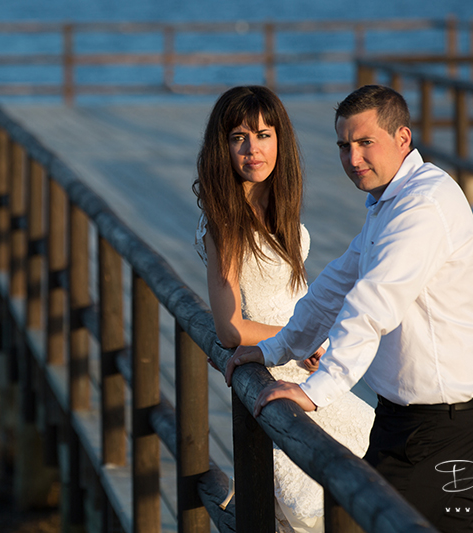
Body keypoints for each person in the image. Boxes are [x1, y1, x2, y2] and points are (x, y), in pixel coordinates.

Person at [225, 85, 473, 533]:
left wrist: (317, 390)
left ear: (403, 139)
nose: (353, 159)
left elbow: (371, 305)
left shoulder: (421, 208)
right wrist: (276, 349)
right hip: (413, 415)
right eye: (344, 145)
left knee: (362, 517)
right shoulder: (390, 199)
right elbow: (336, 283)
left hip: (438, 419)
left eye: (365, 142)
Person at [192, 85, 375, 533]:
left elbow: (298, 294)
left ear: (281, 140)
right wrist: (297, 339)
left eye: (263, 134)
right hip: (272, 371)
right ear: (223, 146)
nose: (252, 149)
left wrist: (314, 338)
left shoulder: (279, 208)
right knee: (311, 504)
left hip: (308, 368)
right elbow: (230, 326)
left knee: (370, 451)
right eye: (238, 137)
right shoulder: (225, 219)